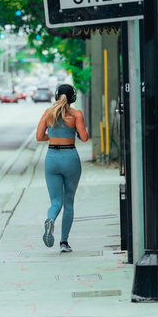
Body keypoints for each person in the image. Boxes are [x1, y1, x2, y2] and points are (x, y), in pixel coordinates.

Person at [36, 84, 89, 253]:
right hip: (70, 158)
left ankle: (50, 219)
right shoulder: (76, 114)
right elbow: (85, 138)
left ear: (56, 96)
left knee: (55, 202)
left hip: (52, 158)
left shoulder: (47, 113)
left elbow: (39, 137)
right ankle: (64, 243)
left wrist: (53, 137)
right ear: (73, 98)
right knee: (69, 202)